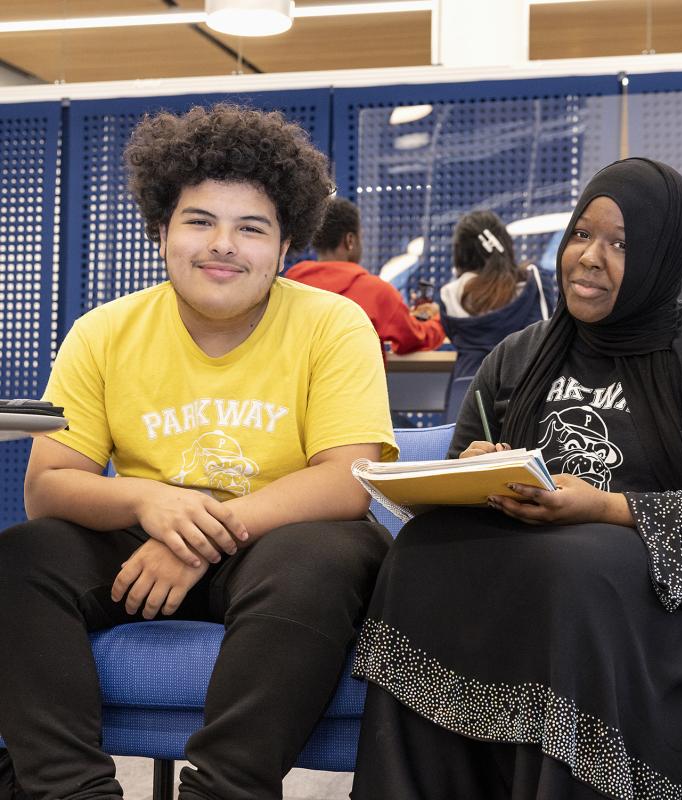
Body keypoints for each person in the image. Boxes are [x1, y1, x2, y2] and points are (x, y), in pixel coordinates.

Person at [351, 158, 682, 800]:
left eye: (620, 243)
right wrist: (476, 472)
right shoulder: (519, 355)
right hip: (537, 575)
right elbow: (451, 478)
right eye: (581, 235)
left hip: (668, 586)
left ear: (663, 257)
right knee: (422, 555)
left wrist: (607, 508)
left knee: (571, 566)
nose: (589, 257)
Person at [0, 104, 397, 800]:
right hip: (144, 535)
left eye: (252, 227)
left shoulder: (334, 325)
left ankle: (224, 789)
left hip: (280, 543)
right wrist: (150, 501)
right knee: (20, 558)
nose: (224, 245)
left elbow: (345, 482)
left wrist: (196, 540)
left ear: (284, 247)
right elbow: (50, 486)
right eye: (199, 221)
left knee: (325, 554)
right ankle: (68, 791)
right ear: (161, 231)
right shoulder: (103, 332)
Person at [284, 197, 445, 360]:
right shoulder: (377, 292)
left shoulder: (289, 285)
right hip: (358, 385)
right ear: (350, 240)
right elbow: (414, 338)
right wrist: (437, 320)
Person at [439, 209, 553, 382]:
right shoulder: (535, 281)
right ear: (505, 242)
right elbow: (545, 336)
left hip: (467, 392)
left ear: (461, 253)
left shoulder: (449, 295)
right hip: (523, 391)